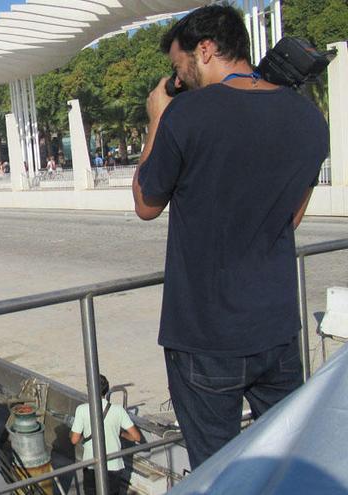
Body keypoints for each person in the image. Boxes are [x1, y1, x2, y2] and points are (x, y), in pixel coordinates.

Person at [132, 5, 328, 469]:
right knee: (283, 463)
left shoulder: (186, 115)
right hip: (277, 331)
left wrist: (158, 116)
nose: (179, 80)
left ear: (204, 50)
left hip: (205, 338)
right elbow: (292, 217)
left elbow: (145, 204)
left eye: (179, 68)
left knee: (219, 474)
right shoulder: (307, 117)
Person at [70, 375, 141, 495]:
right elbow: (136, 437)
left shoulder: (82, 410)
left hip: (91, 463)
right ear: (107, 390)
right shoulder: (119, 410)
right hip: (114, 464)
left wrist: (74, 432)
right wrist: (121, 434)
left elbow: (74, 440)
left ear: (90, 389)